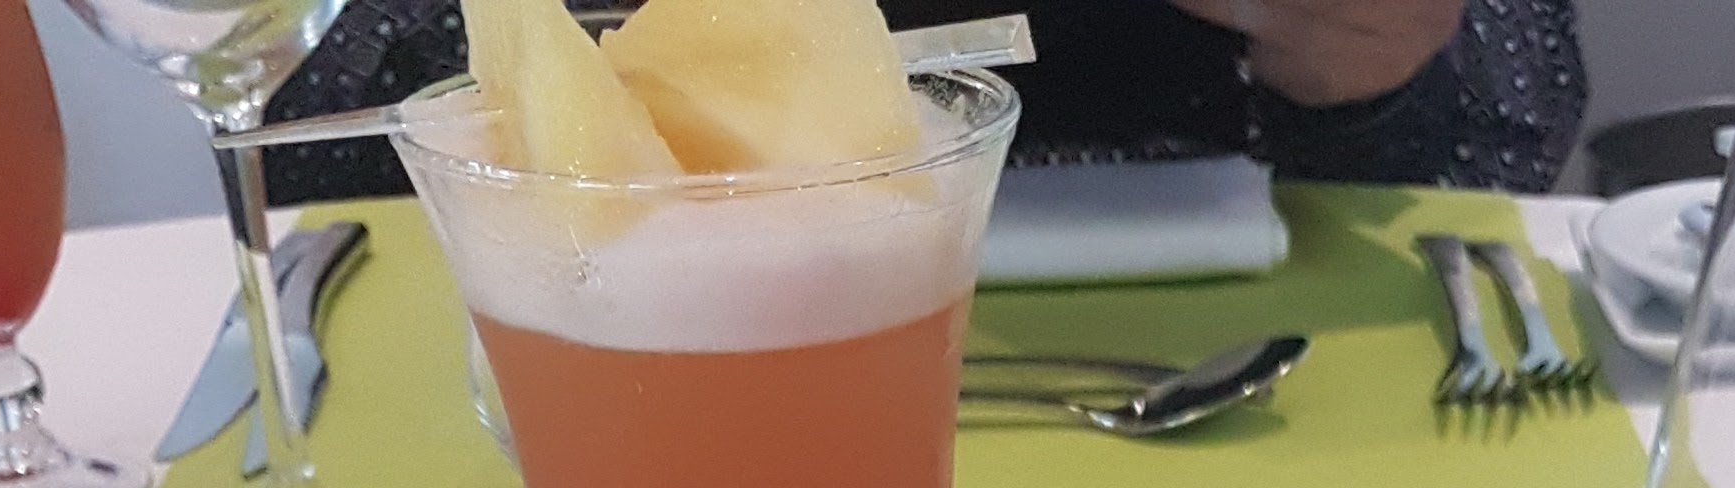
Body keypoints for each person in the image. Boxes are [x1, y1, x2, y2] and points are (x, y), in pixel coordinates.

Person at [262, 0, 1585, 202]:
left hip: (1231, 367)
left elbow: (1507, 141)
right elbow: (313, 161)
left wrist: (1365, 83)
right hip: (694, 370)